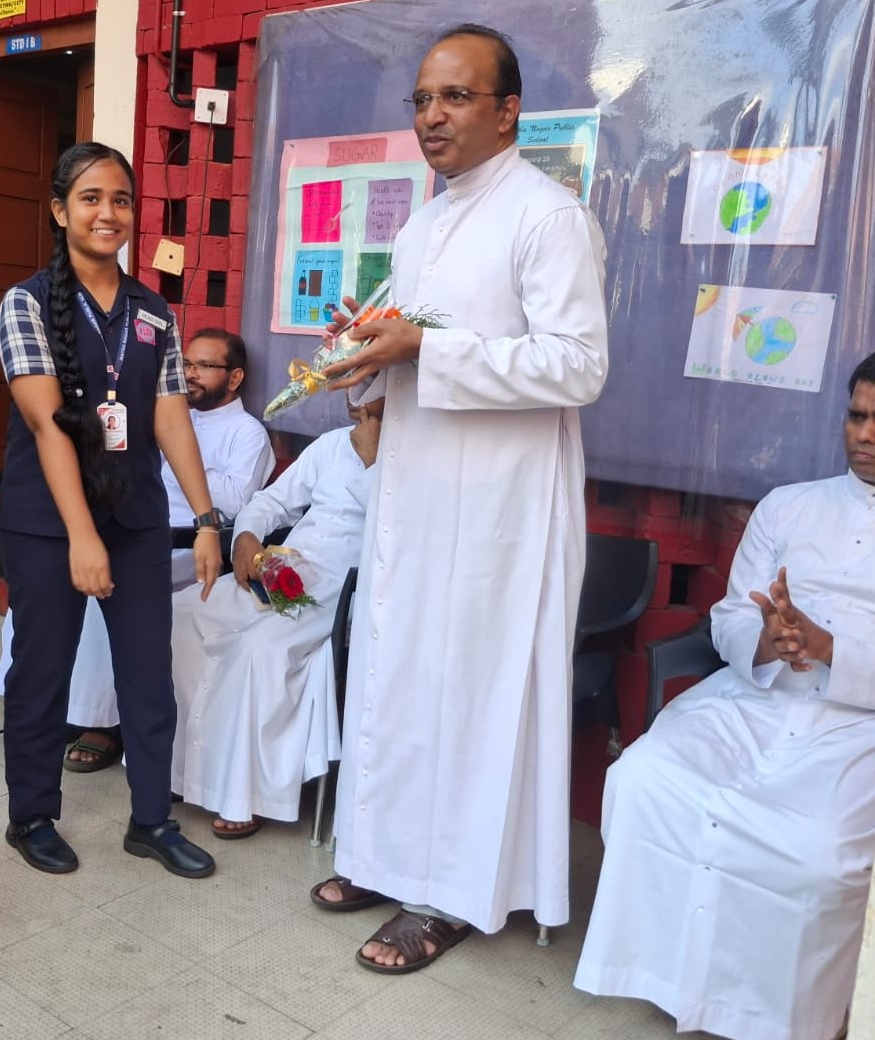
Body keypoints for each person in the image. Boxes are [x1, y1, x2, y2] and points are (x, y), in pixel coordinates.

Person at [310, 24, 609, 973]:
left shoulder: (546, 215)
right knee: (398, 676)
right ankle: (381, 855)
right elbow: (411, 349)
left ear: (507, 109)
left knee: (468, 693)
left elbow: (579, 366)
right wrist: (364, 357)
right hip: (417, 489)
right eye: (423, 100)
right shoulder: (423, 222)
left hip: (499, 514)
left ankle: (450, 894)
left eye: (455, 98)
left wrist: (423, 351)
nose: (432, 117)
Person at [575, 347, 875, 1040]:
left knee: (817, 852)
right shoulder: (789, 505)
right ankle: (666, 976)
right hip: (752, 699)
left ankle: (772, 1014)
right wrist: (770, 638)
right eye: (856, 415)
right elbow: (733, 614)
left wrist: (831, 649)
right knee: (644, 780)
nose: (864, 434)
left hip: (866, 725)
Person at [0, 141, 222, 880]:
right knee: (43, 671)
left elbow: (171, 418)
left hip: (136, 519)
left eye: (121, 199)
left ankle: (151, 819)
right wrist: (81, 537)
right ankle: (31, 814)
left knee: (148, 675)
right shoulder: (25, 303)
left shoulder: (154, 312)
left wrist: (208, 516)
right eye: (91, 197)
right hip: (48, 523)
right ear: (60, 210)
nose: (108, 212)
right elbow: (45, 423)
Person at [0, 327, 275, 772]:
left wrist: (172, 452)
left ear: (235, 378)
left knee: (106, 593)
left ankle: (102, 723)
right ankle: (60, 708)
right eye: (186, 365)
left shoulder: (247, 432)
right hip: (131, 527)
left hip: (184, 543)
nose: (191, 374)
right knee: (56, 580)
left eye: (204, 366)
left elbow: (239, 500)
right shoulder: (162, 411)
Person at [173, 397, 381, 838]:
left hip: (347, 591)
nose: (356, 397)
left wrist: (373, 462)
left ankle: (246, 792)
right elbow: (271, 501)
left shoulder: (419, 457)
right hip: (285, 568)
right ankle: (187, 770)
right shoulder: (329, 444)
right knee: (183, 612)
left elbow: (405, 535)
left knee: (259, 648)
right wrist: (247, 537)